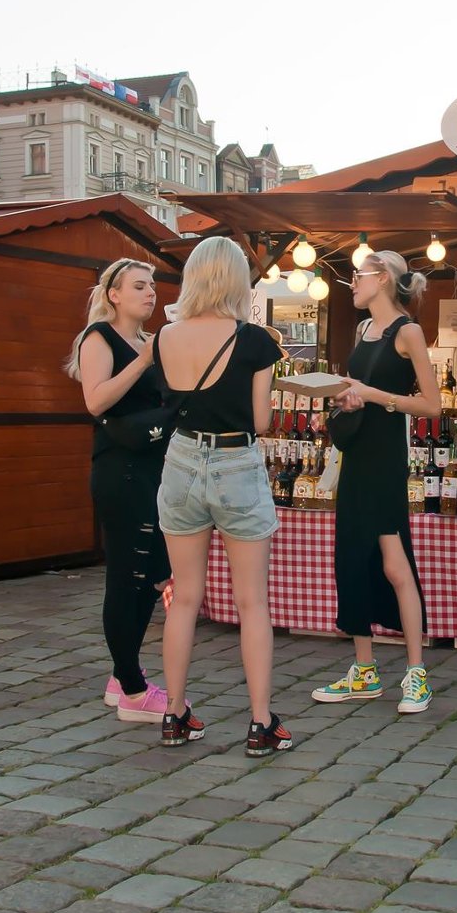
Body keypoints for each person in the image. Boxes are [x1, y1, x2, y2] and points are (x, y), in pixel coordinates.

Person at [153, 236, 290, 755]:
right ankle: (260, 723)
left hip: (181, 461)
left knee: (184, 597)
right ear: (236, 281)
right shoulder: (255, 341)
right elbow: (259, 422)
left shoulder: (165, 337)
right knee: (253, 601)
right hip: (235, 460)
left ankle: (175, 714)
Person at [317, 250, 441, 713]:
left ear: (383, 279)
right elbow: (357, 392)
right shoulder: (362, 330)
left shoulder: (406, 331)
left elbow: (432, 405)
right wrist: (342, 402)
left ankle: (416, 673)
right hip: (355, 454)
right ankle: (364, 671)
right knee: (351, 558)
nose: (352, 283)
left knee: (394, 560)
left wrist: (373, 396)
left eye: (358, 275)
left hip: (385, 458)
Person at [69, 258, 170, 721]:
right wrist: (146, 361)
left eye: (151, 286)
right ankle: (131, 687)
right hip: (119, 470)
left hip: (154, 469)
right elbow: (96, 400)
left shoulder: (149, 340)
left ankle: (121, 672)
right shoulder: (100, 338)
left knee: (158, 571)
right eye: (139, 286)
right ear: (114, 294)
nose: (150, 293)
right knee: (126, 576)